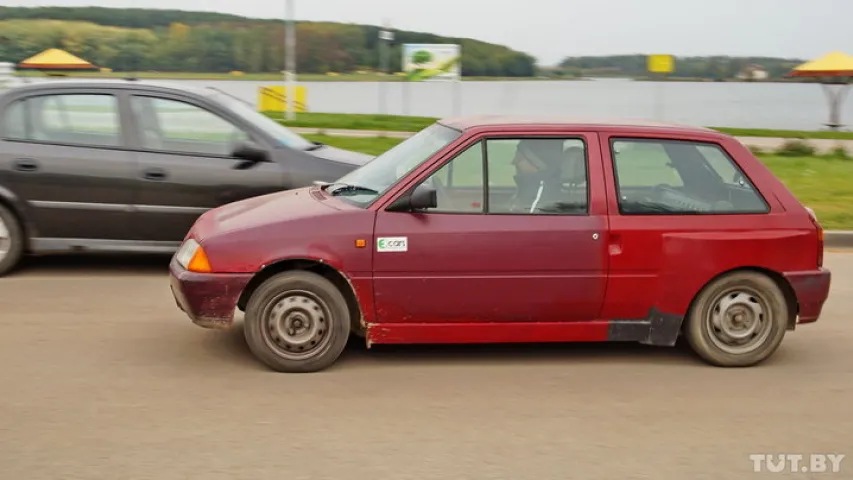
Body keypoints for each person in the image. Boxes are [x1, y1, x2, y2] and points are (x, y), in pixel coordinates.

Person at [508, 139, 565, 213]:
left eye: (520, 158)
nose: (514, 162)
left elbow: (530, 219)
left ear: (535, 163)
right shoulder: (527, 186)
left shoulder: (541, 190)